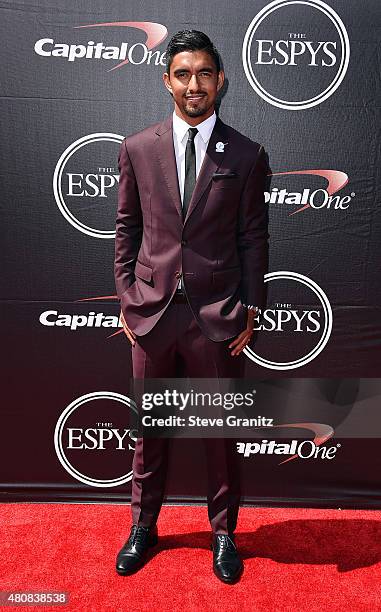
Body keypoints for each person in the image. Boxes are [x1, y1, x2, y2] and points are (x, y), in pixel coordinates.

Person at [114, 30, 269, 583]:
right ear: (167, 81)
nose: (194, 84)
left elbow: (253, 238)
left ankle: (224, 533)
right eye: (183, 73)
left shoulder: (247, 154)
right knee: (149, 430)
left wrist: (250, 309)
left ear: (221, 80)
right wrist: (130, 303)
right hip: (154, 316)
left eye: (205, 73)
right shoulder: (137, 147)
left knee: (218, 434)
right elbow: (127, 231)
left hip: (216, 317)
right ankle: (143, 525)